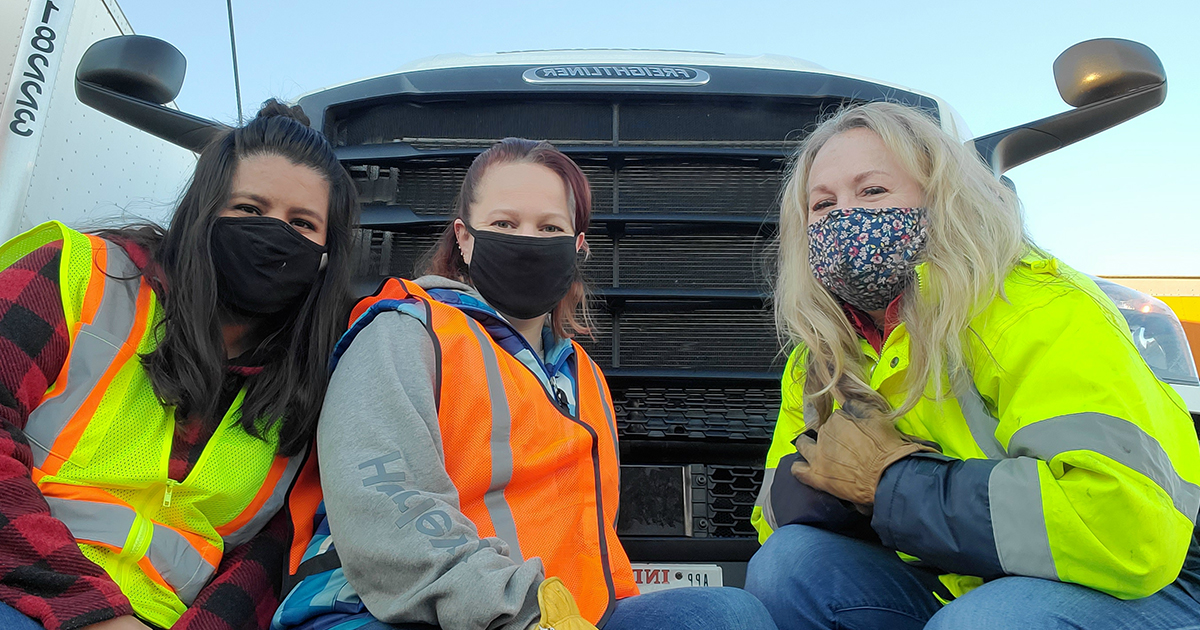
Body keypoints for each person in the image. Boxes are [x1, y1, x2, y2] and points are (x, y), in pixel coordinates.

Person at [273, 138, 777, 630]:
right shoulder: (405, 331)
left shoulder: (585, 375)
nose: (526, 241)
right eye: (504, 223)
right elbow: (386, 507)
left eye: (549, 227)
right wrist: (525, 612)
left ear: (577, 247)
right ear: (464, 239)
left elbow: (588, 532)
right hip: (394, 611)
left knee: (733, 615)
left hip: (564, 614)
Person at [742, 101, 1200, 629]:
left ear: (942, 200)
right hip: (966, 573)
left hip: (1145, 582)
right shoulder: (819, 356)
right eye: (822, 205)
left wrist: (893, 483)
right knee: (788, 564)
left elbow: (1123, 529)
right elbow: (771, 518)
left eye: (872, 191)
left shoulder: (1035, 308)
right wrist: (844, 490)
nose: (845, 218)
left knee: (982, 623)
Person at [0, 100, 357, 630]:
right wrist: (94, 614)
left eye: (301, 223)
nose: (272, 234)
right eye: (249, 210)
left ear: (326, 256)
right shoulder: (78, 274)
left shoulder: (309, 387)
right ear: (201, 212)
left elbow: (263, 555)